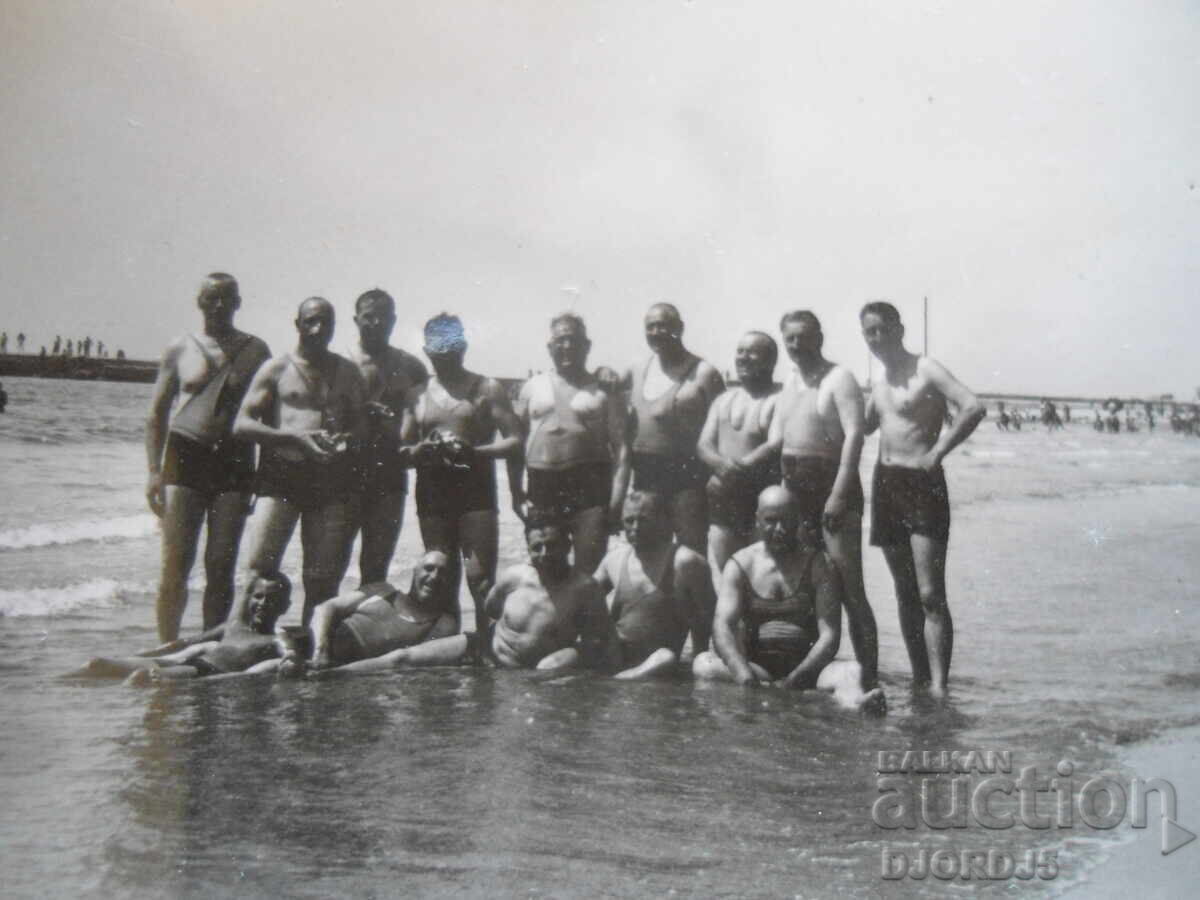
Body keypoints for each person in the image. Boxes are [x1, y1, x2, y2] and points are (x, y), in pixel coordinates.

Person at [860, 301, 985, 697]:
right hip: (885, 484)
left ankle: (939, 686)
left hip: (922, 483)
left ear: (899, 329)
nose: (875, 338)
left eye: (881, 329)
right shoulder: (878, 381)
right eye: (868, 332)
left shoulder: (926, 368)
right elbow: (861, 427)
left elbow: (972, 406)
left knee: (930, 593)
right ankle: (918, 680)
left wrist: (937, 453)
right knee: (904, 591)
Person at [317, 511, 616, 674]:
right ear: (528, 549)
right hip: (481, 649)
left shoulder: (585, 590)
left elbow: (599, 643)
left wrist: (569, 657)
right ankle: (334, 674)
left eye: (552, 545)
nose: (545, 553)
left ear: (568, 545)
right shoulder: (516, 577)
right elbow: (491, 609)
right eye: (536, 547)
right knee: (402, 659)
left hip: (521, 672)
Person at [145, 273, 272, 641]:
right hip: (184, 457)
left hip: (235, 460)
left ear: (238, 303)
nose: (220, 305)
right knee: (174, 566)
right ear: (199, 302)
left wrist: (262, 473)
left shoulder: (256, 351)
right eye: (212, 298)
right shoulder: (180, 348)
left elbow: (268, 417)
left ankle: (211, 646)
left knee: (221, 565)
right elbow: (156, 414)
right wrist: (154, 472)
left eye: (227, 298)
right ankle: (166, 645)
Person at [235, 297, 368, 626]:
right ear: (297, 324)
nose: (318, 328)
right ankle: (241, 642)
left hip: (331, 478)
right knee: (257, 570)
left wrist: (346, 440)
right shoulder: (277, 368)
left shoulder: (348, 372)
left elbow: (362, 427)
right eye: (310, 321)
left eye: (326, 322)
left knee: (322, 578)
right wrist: (294, 438)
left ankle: (312, 651)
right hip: (281, 475)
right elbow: (242, 424)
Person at [768, 310, 880, 694]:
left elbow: (855, 436)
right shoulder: (791, 380)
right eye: (790, 339)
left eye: (804, 337)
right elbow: (781, 438)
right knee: (812, 587)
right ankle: (815, 672)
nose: (797, 346)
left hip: (833, 486)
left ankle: (869, 678)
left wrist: (838, 493)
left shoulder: (840, 378)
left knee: (850, 588)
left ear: (820, 336)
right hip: (795, 491)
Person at [694, 487, 881, 710]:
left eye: (787, 521)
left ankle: (856, 704)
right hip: (758, 669)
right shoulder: (741, 564)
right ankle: (753, 700)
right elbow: (722, 626)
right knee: (703, 663)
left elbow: (829, 635)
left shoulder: (819, 564)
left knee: (851, 670)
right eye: (771, 521)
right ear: (758, 520)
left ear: (799, 520)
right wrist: (743, 674)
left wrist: (797, 678)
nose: (779, 529)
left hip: (811, 669)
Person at [399, 313, 522, 631]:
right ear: (426, 349)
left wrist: (475, 452)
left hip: (475, 492)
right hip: (433, 494)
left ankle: (489, 650)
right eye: (437, 344)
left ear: (463, 345)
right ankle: (448, 650)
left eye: (451, 343)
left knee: (480, 580)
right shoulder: (417, 394)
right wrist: (423, 450)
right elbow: (402, 451)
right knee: (442, 578)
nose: (445, 351)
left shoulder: (487, 387)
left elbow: (515, 440)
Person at [513, 313, 625, 574]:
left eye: (573, 340)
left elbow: (621, 449)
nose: (567, 346)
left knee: (589, 571)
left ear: (587, 346)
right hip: (542, 485)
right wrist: (515, 492)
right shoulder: (531, 387)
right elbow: (516, 445)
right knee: (546, 566)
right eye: (560, 340)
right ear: (549, 346)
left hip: (590, 483)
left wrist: (617, 500)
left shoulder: (604, 389)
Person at [621, 303, 725, 553]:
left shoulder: (704, 373)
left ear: (680, 328)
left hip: (687, 478)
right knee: (648, 550)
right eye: (651, 326)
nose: (657, 332)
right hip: (645, 476)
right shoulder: (636, 370)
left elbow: (724, 427)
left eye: (664, 325)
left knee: (691, 553)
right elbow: (606, 395)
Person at [347, 289, 428, 586]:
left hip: (390, 473)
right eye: (368, 316)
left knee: (376, 565)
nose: (376, 322)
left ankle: (365, 628)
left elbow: (425, 417)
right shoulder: (340, 362)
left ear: (394, 321)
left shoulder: (411, 366)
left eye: (383, 316)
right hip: (344, 471)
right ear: (356, 319)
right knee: (328, 565)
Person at [75, 574, 292, 683]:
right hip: (183, 661)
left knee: (141, 677)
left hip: (204, 672)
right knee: (97, 663)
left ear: (285, 606)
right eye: (258, 596)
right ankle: (49, 687)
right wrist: (140, 654)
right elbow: (184, 643)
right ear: (249, 598)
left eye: (272, 599)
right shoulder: (233, 626)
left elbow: (290, 656)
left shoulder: (275, 639)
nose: (263, 603)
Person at [593, 491, 714, 679]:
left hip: (657, 662)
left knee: (664, 658)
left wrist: (695, 667)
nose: (635, 528)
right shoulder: (614, 559)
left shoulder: (685, 562)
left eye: (643, 520)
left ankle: (621, 681)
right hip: (615, 655)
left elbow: (705, 621)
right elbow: (583, 597)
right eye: (629, 521)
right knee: (563, 658)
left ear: (662, 521)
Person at [280, 550, 458, 674]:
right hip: (313, 643)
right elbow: (325, 608)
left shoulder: (442, 623)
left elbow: (409, 661)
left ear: (450, 580)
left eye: (442, 573)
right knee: (267, 650)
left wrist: (336, 671)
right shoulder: (383, 590)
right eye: (428, 568)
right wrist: (321, 651)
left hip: (343, 666)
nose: (434, 577)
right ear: (415, 570)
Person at [696, 331, 782, 586]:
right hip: (724, 499)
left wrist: (734, 470)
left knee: (762, 574)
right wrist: (722, 466)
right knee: (729, 576)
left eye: (752, 352)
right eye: (740, 352)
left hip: (760, 497)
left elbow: (775, 443)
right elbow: (703, 444)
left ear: (770, 361)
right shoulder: (724, 399)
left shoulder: (780, 398)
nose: (743, 358)